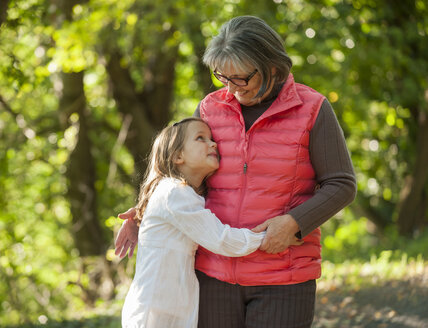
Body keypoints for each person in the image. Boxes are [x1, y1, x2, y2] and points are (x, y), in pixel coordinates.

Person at [116, 16, 356, 328]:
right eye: (223, 78)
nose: (231, 88)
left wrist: (295, 224)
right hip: (212, 276)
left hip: (283, 277)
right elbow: (181, 170)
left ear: (272, 67)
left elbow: (341, 184)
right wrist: (147, 212)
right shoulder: (209, 109)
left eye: (240, 78)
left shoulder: (312, 109)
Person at [121, 117, 297, 328]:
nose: (213, 143)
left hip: (172, 307)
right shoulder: (175, 192)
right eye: (200, 138)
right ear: (178, 156)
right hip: (155, 313)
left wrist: (139, 217)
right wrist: (268, 236)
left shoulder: (178, 194)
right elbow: (220, 239)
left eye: (211, 138)